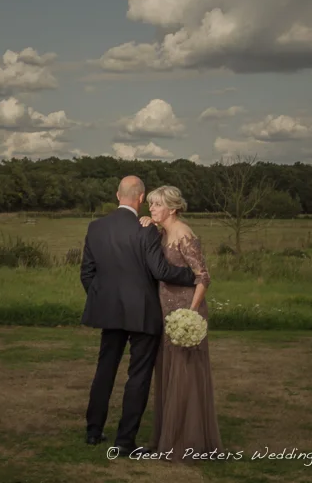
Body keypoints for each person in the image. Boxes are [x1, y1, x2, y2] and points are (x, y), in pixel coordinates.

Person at [80, 176, 196, 455]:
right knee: (139, 376)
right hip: (143, 312)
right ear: (141, 197)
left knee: (104, 370)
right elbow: (161, 271)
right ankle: (124, 441)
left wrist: (104, 300)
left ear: (117, 194)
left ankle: (93, 432)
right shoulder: (145, 230)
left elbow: (87, 274)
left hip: (110, 312)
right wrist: (193, 275)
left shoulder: (95, 227)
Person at [138, 185, 221, 459]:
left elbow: (203, 277)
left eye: (156, 205)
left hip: (186, 310)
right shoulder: (162, 232)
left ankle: (187, 440)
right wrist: (150, 223)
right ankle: (168, 435)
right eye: (150, 204)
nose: (151, 209)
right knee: (169, 370)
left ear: (172, 208)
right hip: (166, 309)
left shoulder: (184, 234)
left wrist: (192, 312)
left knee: (185, 372)